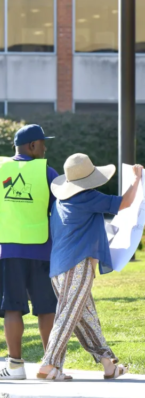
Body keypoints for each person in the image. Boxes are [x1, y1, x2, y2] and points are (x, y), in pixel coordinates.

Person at [36, 155, 138, 381]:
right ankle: (49, 363)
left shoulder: (60, 202)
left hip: (59, 270)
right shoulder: (88, 197)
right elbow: (125, 203)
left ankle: (108, 365)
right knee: (68, 316)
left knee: (87, 319)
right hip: (77, 267)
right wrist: (137, 179)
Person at [0, 124, 58, 380]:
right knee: (46, 309)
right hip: (43, 250)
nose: (45, 147)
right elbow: (62, 212)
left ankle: (15, 366)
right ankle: (50, 365)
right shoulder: (48, 172)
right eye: (42, 143)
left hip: (8, 250)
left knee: (12, 308)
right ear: (32, 146)